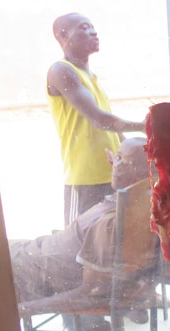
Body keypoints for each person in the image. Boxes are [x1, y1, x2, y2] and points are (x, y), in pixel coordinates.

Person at [11, 137, 158, 331]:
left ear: (144, 171)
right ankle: (93, 329)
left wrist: (29, 309)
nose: (115, 166)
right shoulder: (140, 202)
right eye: (116, 158)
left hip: (34, 267)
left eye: (126, 163)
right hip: (40, 252)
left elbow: (92, 292)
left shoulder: (110, 223)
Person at [47, 12, 145, 225]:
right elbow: (99, 119)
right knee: (78, 246)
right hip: (84, 180)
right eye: (83, 27)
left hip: (110, 176)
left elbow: (110, 125)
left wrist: (125, 153)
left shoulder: (91, 78)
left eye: (92, 26)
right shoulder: (61, 70)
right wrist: (145, 127)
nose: (93, 31)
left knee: (107, 246)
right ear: (63, 35)